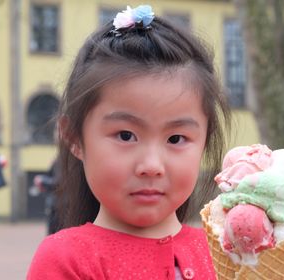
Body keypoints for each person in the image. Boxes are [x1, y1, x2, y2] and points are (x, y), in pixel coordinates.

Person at [27, 4, 231, 279]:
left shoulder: (226, 255)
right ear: (74, 136)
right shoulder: (66, 259)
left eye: (176, 138)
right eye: (125, 135)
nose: (151, 165)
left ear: (204, 141)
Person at [32, 158, 60, 234]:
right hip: (54, 202)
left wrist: (42, 181)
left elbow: (59, 182)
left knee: (55, 230)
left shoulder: (61, 162)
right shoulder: (57, 161)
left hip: (59, 203)